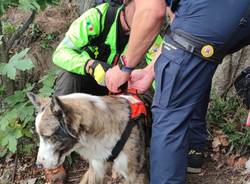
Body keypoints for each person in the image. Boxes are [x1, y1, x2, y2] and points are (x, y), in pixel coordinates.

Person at [105, 0, 250, 183]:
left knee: (169, 117)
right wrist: (151, 71)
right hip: (229, 15)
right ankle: (193, 152)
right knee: (192, 67)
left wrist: (124, 67)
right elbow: (178, 29)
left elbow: (151, 11)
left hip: (207, 22)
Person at [46, 1, 162, 183]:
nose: (144, 15)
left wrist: (142, 89)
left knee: (157, 96)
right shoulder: (96, 19)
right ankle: (54, 154)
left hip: (123, 92)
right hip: (91, 86)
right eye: (141, 8)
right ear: (126, 3)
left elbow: (159, 73)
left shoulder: (150, 32)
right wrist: (90, 65)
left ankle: (139, 150)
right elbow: (60, 53)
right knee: (69, 78)